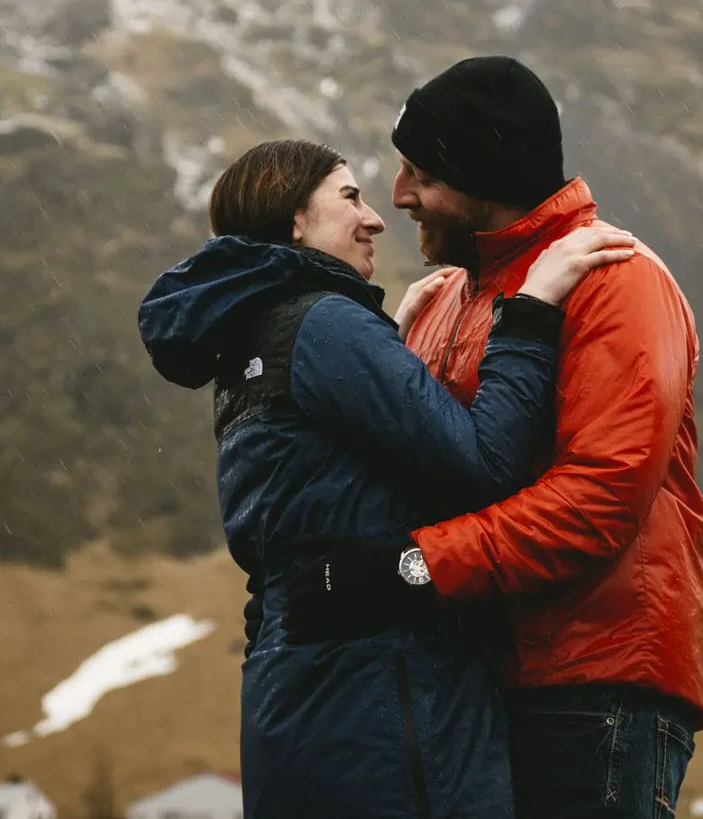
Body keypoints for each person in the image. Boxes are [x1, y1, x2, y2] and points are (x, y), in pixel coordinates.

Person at [137, 138, 634, 819]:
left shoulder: (252, 338)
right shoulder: (326, 324)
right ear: (294, 223)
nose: (374, 217)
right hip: (383, 695)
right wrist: (532, 309)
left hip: (297, 688)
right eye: (349, 197)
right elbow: (482, 465)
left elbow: (316, 486)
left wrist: (385, 355)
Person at [283, 55, 703, 819]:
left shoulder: (615, 277)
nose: (399, 195)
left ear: (484, 172)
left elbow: (597, 500)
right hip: (478, 687)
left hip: (592, 687)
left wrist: (412, 566)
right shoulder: (452, 293)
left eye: (420, 171)